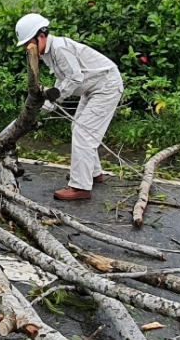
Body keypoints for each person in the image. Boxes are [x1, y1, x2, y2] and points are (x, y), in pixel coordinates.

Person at [14, 13, 123, 201]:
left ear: (41, 36)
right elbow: (64, 77)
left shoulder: (59, 49)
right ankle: (93, 173)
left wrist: (56, 97)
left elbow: (75, 77)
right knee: (78, 128)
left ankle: (80, 187)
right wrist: (49, 102)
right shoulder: (48, 52)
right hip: (92, 89)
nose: (28, 48)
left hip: (106, 87)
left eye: (29, 43)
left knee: (83, 133)